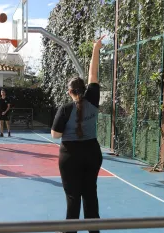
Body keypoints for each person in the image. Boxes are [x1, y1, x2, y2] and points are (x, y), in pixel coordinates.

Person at [51, 35, 105, 233]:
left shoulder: (65, 109)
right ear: (84, 89)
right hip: (92, 152)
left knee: (73, 197)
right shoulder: (93, 100)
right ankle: (94, 230)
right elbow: (93, 74)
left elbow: (55, 135)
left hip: (70, 155)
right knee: (90, 194)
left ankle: (70, 230)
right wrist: (96, 48)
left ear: (69, 91)